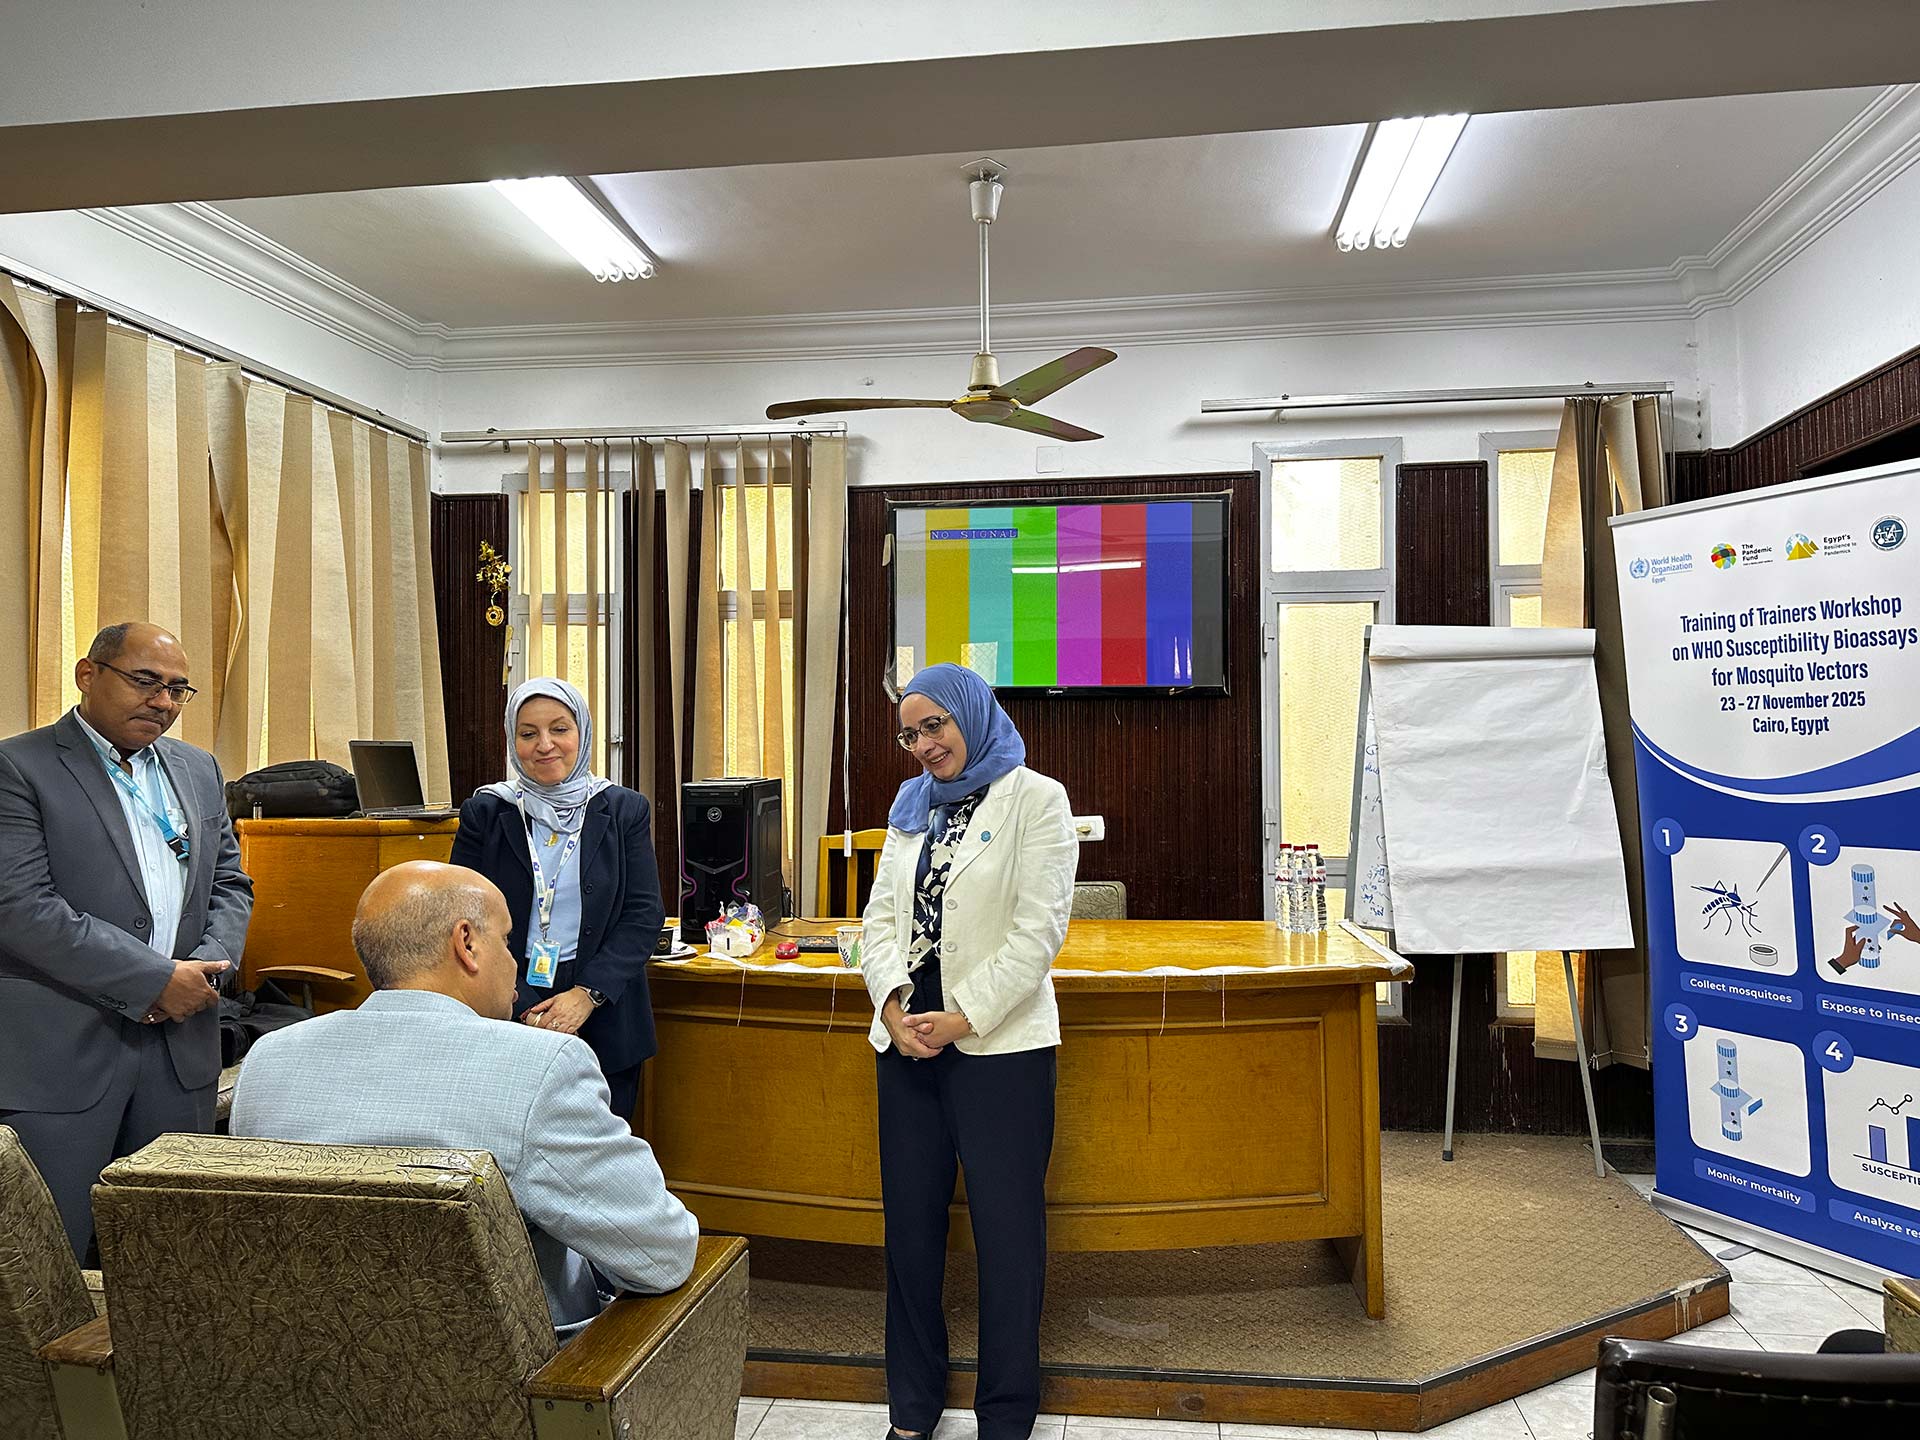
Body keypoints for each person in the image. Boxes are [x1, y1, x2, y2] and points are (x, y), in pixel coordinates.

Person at [231, 861, 697, 1337]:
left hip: (308, 1370)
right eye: (508, 941)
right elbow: (660, 1254)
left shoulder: (268, 1061)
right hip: (514, 1387)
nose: (516, 962)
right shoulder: (542, 1068)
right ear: (467, 943)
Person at [859, 663, 1078, 1440]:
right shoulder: (910, 807)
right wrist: (893, 1004)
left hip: (1001, 1052)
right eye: (910, 734)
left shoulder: (1037, 800)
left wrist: (957, 1017)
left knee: (1008, 1242)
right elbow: (877, 921)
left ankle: (1006, 1418)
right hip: (905, 1049)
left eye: (935, 726)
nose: (923, 745)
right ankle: (913, 1412)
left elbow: (1037, 934)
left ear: (971, 716)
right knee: (910, 1238)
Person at [0, 621, 254, 1257]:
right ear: (89, 675)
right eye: (145, 682)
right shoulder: (18, 766)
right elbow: (22, 907)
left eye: (177, 689)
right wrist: (153, 979)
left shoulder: (197, 770)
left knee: (171, 1261)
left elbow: (230, 884)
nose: (162, 702)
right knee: (52, 1265)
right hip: (62, 1056)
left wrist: (201, 972)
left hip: (179, 1048)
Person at [449, 678, 665, 1122]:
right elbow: (462, 917)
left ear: (582, 732)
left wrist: (587, 995)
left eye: (559, 729)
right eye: (528, 734)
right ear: (513, 741)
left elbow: (644, 914)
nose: (545, 745)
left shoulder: (624, 810)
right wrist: (523, 1003)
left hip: (604, 1008)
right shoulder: (486, 812)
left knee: (601, 1150)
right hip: (506, 999)